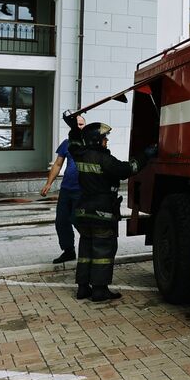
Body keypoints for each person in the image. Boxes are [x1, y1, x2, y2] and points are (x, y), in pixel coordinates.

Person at [69, 122, 157, 302]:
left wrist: (74, 129)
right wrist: (145, 156)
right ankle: (100, 291)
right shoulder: (105, 160)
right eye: (103, 138)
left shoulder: (80, 155)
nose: (106, 140)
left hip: (83, 212)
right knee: (102, 252)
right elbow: (128, 169)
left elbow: (74, 143)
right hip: (102, 213)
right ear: (95, 140)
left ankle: (83, 288)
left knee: (86, 251)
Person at [41, 112, 87, 264]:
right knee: (61, 221)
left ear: (85, 126)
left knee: (77, 220)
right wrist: (49, 184)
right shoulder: (66, 143)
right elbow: (58, 164)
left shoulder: (90, 142)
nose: (78, 127)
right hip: (67, 189)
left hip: (82, 190)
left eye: (81, 124)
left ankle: (91, 248)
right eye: (76, 124)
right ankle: (68, 251)